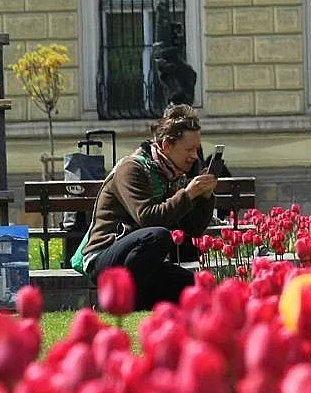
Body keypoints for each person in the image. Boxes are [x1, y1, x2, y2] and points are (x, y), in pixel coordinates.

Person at [79, 105, 217, 310]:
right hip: (105, 256)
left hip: (142, 261)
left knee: (199, 288)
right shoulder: (132, 168)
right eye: (189, 149)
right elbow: (147, 218)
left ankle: (137, 302)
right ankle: (117, 299)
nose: (195, 156)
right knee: (158, 236)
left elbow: (192, 229)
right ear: (167, 145)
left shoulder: (173, 175)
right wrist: (187, 195)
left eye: (196, 149)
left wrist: (205, 197)